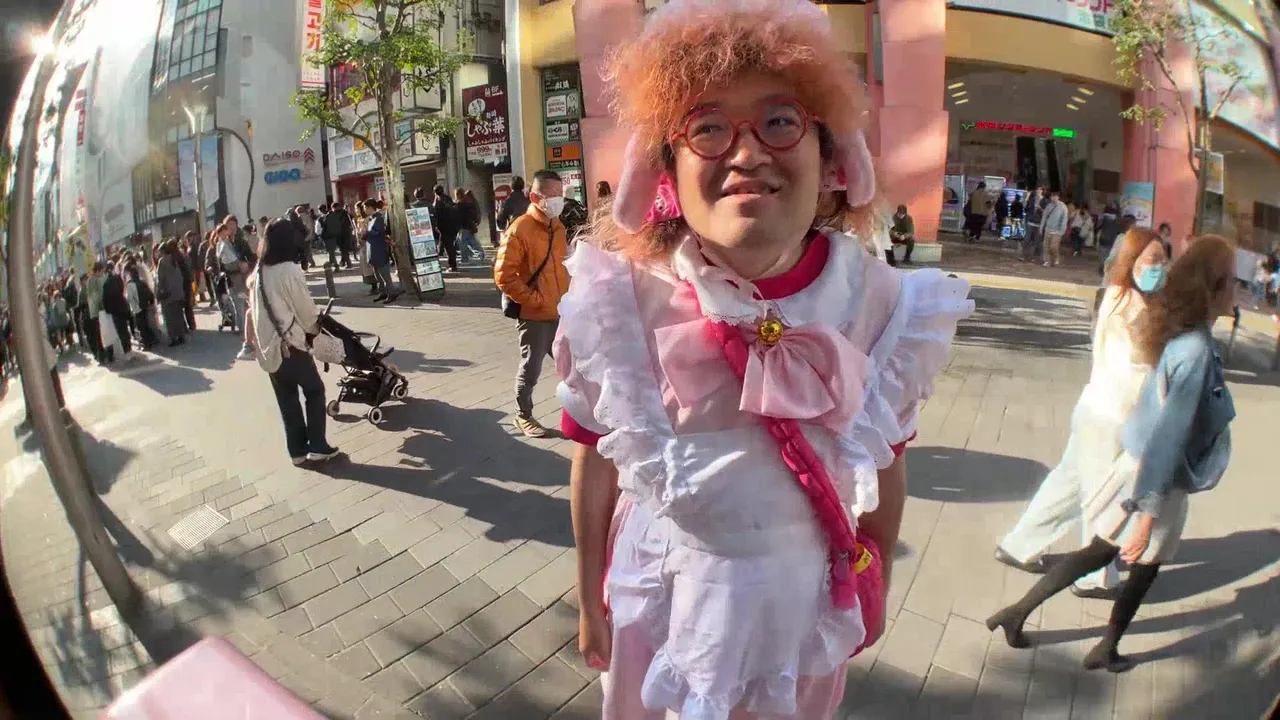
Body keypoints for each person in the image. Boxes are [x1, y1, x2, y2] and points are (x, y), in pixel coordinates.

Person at [557, 1, 973, 716]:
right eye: (708, 127)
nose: (747, 154)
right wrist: (589, 600)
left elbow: (888, 462)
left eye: (780, 121)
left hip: (800, 618)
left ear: (831, 154)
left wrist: (873, 585)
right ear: (665, 168)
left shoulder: (884, 305)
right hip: (657, 607)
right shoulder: (616, 303)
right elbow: (594, 459)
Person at [988, 235, 1237, 673]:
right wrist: (1147, 515)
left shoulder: (1184, 332)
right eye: (1233, 280)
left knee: (1102, 547)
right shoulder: (1193, 348)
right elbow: (1169, 435)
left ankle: (1020, 613)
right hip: (1157, 475)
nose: (1239, 289)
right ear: (1214, 287)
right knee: (1145, 562)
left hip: (1138, 463)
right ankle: (1105, 645)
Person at [995, 228, 1169, 599]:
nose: (1160, 268)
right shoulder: (1130, 305)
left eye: (1163, 260)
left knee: (1069, 483)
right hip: (1113, 418)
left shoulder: (1118, 294)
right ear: (1131, 261)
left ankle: (1020, 545)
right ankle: (1094, 576)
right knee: (1102, 496)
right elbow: (1138, 369)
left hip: (1096, 410)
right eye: (1153, 260)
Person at [245, 219, 340, 466]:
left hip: (268, 349)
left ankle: (297, 452)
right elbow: (307, 314)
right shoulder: (289, 270)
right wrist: (317, 329)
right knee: (315, 390)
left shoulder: (258, 273)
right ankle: (318, 446)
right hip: (291, 345)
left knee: (287, 400)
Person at [493, 169, 570, 439]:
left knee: (572, 364)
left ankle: (581, 413)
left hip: (562, 312)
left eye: (561, 194)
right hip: (535, 316)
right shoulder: (519, 229)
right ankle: (523, 415)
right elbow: (504, 276)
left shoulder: (558, 227)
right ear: (536, 197)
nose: (558, 200)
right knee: (531, 368)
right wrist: (535, 300)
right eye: (552, 195)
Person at [216, 220, 256, 359]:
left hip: (245, 279)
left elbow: (252, 258)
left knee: (248, 305)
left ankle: (250, 333)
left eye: (233, 227)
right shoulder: (221, 245)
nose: (230, 230)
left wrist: (247, 265)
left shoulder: (241, 242)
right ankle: (244, 334)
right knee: (238, 306)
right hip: (231, 280)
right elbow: (219, 265)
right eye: (228, 227)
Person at [364, 199, 399, 303]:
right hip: (373, 250)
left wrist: (367, 232)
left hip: (379, 250)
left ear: (370, 207)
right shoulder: (371, 219)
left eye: (365, 208)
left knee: (385, 275)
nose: (364, 210)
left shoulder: (378, 218)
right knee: (377, 275)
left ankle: (391, 293)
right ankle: (383, 292)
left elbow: (378, 233)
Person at [156, 241, 189, 347]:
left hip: (168, 293)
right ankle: (181, 336)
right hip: (178, 292)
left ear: (162, 251)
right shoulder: (174, 258)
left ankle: (174, 338)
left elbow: (160, 279)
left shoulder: (162, 261)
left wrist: (158, 293)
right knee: (178, 315)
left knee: (169, 317)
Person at [125, 265, 158, 351]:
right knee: (145, 324)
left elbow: (129, 298)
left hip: (136, 308)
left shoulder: (130, 284)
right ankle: (151, 339)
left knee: (141, 326)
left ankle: (147, 344)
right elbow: (150, 294)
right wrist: (150, 302)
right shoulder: (142, 282)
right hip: (144, 306)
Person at [431, 184, 460, 273]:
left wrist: (436, 225)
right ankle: (448, 261)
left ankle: (452, 265)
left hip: (444, 226)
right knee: (448, 245)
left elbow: (436, 213)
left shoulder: (439, 201)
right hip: (451, 226)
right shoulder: (448, 198)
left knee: (449, 246)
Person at [454, 188, 485, 263]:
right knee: (472, 241)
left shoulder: (460, 204)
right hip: (469, 225)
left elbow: (458, 216)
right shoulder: (469, 202)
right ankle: (480, 253)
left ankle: (465, 258)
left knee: (462, 243)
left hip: (464, 226)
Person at [1040, 190, 1069, 267]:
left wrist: (1062, 230)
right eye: (1052, 196)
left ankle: (1056, 258)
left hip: (1057, 231)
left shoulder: (1063, 207)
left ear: (1058, 197)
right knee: (1046, 246)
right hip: (1048, 229)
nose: (1053, 198)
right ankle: (1047, 261)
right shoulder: (1049, 206)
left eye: (1055, 196)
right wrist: (1041, 227)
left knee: (1053, 247)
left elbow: (1064, 219)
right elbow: (1044, 217)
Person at [1022, 187, 1047, 261]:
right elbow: (1025, 209)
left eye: (1039, 189)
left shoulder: (1045, 201)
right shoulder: (1032, 199)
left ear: (1042, 191)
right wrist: (1027, 197)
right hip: (1030, 222)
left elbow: (1046, 213)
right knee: (1026, 240)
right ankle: (1025, 256)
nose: (1037, 191)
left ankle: (1035, 258)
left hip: (1039, 223)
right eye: (1037, 189)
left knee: (1037, 242)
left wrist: (1040, 208)